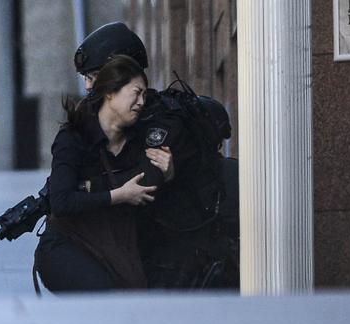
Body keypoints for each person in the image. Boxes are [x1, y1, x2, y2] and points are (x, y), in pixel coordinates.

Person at [73, 22, 239, 289]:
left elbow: (143, 183)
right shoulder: (116, 125)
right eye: (86, 79)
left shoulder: (161, 123)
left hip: (184, 259)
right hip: (152, 253)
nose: (89, 88)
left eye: (94, 77)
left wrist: (85, 188)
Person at [34, 55, 174, 292]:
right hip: (69, 245)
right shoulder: (73, 139)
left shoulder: (139, 140)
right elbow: (61, 202)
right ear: (111, 92)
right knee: (104, 294)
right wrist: (119, 195)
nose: (141, 102)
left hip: (118, 249)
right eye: (136, 93)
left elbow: (150, 193)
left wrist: (168, 174)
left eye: (144, 96)